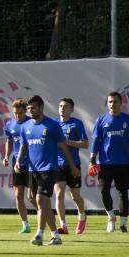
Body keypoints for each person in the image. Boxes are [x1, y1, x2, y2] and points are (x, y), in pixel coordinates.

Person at [15, 95, 78, 246]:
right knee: (36, 201)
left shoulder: (52, 125)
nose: (30, 111)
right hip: (33, 169)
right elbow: (24, 146)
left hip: (49, 168)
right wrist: (18, 161)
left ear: (41, 108)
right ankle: (55, 235)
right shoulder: (25, 127)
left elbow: (63, 147)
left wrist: (72, 166)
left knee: (40, 199)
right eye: (29, 109)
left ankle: (39, 235)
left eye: (33, 108)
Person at [88, 91, 129, 233]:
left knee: (123, 193)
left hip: (123, 163)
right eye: (110, 102)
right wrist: (92, 160)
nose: (113, 104)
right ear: (107, 104)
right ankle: (111, 217)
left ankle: (123, 223)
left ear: (121, 103)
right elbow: (95, 141)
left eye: (115, 101)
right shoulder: (101, 120)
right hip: (105, 163)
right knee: (103, 191)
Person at [55, 97, 88, 235]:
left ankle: (82, 215)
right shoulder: (53, 124)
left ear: (72, 109)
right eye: (61, 106)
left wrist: (67, 142)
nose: (62, 108)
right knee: (59, 194)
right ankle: (63, 225)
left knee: (75, 197)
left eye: (66, 106)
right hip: (57, 165)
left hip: (73, 164)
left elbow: (85, 144)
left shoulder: (76, 124)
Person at [2, 98, 32, 234]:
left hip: (32, 165)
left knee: (33, 197)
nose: (17, 115)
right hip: (17, 165)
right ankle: (25, 225)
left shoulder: (31, 123)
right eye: (15, 113)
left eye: (20, 113)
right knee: (18, 195)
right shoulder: (10, 125)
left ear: (25, 111)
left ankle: (45, 217)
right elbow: (9, 141)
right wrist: (6, 156)